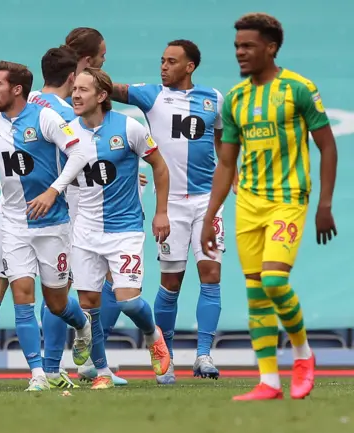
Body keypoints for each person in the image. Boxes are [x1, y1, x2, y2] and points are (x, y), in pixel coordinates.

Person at [200, 13, 337, 401]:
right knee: (256, 293)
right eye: (237, 47)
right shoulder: (237, 98)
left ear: (271, 47)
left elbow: (327, 146)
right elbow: (227, 163)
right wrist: (211, 215)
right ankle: (269, 382)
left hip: (288, 200)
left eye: (248, 46)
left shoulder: (299, 88)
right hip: (248, 205)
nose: (240, 53)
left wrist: (324, 203)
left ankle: (303, 355)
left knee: (275, 281)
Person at [0, 61, 93, 391]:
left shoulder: (45, 118)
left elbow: (80, 152)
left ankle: (83, 325)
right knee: (22, 297)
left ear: (16, 90)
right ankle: (37, 375)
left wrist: (54, 191)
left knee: (56, 303)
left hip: (53, 224)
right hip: (13, 223)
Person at [111, 40, 226, 384]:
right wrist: (85, 67)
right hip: (170, 202)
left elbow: (221, 137)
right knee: (171, 282)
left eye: (172, 62)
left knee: (211, 274)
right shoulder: (152, 95)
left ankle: (204, 356)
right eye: (162, 60)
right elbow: (111, 89)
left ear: (190, 66)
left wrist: (226, 172)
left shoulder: (214, 98)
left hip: (207, 201)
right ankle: (168, 357)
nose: (164, 66)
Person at [70, 67, 172, 387]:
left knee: (128, 301)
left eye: (83, 90)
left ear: (102, 96)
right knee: (89, 309)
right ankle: (102, 372)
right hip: (84, 231)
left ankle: (151, 334)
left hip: (125, 229)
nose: (75, 94)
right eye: (74, 88)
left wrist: (161, 212)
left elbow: (159, 165)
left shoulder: (130, 128)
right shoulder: (66, 132)